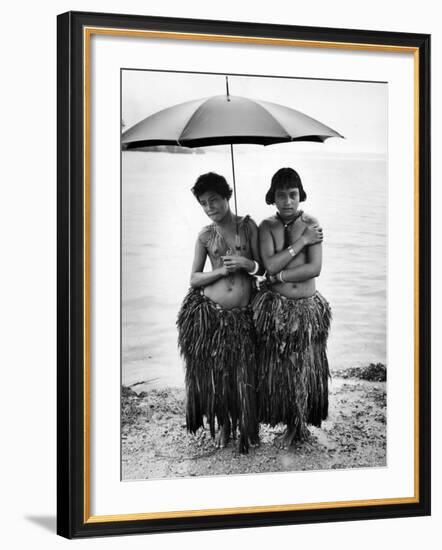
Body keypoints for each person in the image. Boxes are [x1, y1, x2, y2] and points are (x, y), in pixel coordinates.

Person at [177, 172, 262, 453]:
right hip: (213, 314)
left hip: (242, 315)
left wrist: (246, 263)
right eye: (203, 203)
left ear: (228, 196)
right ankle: (224, 425)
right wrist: (222, 270)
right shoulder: (205, 235)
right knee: (219, 375)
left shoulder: (248, 228)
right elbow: (193, 278)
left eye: (214, 200)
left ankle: (246, 425)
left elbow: (264, 267)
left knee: (243, 373)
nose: (209, 207)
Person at [252, 167, 331, 448]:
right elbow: (269, 264)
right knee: (281, 368)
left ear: (301, 195)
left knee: (304, 367)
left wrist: (280, 277)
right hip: (278, 307)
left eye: (293, 194)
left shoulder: (312, 223)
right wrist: (302, 242)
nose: (287, 201)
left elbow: (314, 268)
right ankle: (288, 422)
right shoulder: (267, 226)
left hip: (307, 308)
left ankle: (300, 425)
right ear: (272, 197)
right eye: (281, 195)